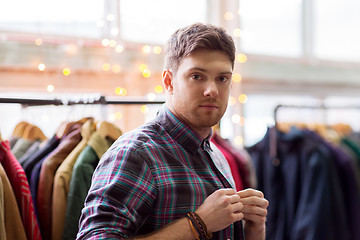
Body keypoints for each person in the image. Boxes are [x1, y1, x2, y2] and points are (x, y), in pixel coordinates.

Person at [77, 23, 268, 240]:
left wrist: (255, 230)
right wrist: (198, 224)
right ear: (169, 81)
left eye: (222, 78)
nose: (212, 90)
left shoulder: (217, 156)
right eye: (197, 76)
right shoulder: (135, 153)